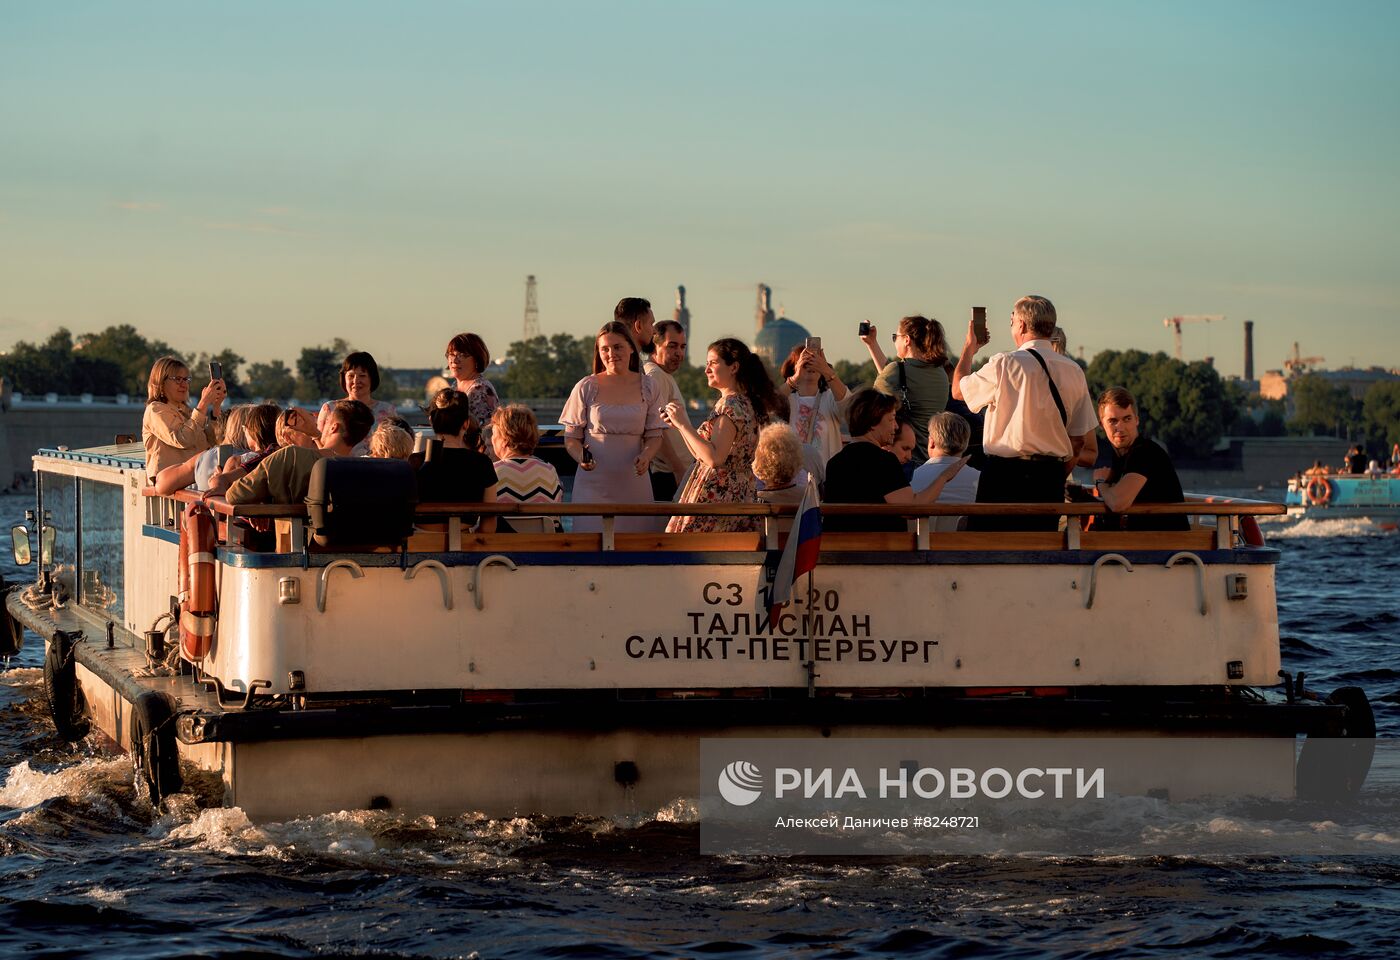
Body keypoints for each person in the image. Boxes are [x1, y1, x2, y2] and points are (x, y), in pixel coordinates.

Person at [951, 295, 1097, 531]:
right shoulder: (1074, 371)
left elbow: (958, 390)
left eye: (1011, 320)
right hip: (1048, 479)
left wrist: (969, 348)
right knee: (1039, 551)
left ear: (1021, 325)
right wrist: (1056, 475)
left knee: (991, 549)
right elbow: (1078, 440)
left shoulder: (1004, 364)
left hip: (1003, 476)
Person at [664, 338, 779, 533]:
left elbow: (714, 458)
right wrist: (680, 427)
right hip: (739, 491)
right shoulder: (746, 402)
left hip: (719, 493)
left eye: (713, 363)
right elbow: (700, 455)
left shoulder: (731, 405)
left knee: (694, 554)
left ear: (733, 367)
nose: (706, 369)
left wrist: (684, 423)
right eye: (707, 363)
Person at [561, 321, 664, 533]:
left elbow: (655, 435)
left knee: (637, 550)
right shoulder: (586, 386)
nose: (611, 354)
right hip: (593, 484)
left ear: (630, 349)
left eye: (617, 347)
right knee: (590, 548)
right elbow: (571, 438)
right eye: (604, 349)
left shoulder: (650, 386)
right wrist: (581, 456)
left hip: (635, 483)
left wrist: (646, 456)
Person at [822, 389, 967, 532]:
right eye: (891, 419)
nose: (896, 426)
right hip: (878, 550)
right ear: (873, 421)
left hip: (840, 549)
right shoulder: (881, 460)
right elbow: (910, 508)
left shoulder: (835, 462)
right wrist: (944, 477)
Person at [219, 400, 374, 504]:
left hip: (294, 544)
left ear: (333, 427)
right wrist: (315, 435)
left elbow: (236, 494)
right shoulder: (364, 469)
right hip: (342, 546)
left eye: (326, 422)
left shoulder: (291, 456)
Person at [1091, 387, 1188, 531]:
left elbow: (1118, 503)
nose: (1120, 427)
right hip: (1143, 543)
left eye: (1127, 419)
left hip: (1167, 546)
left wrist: (1100, 482)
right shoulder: (1121, 456)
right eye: (1113, 421)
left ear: (1136, 420)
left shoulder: (1146, 452)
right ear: (1101, 424)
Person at [861, 315, 950, 466]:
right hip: (929, 459)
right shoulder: (940, 373)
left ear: (907, 340)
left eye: (895, 337)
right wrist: (872, 344)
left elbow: (874, 404)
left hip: (902, 458)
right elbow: (900, 378)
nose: (895, 341)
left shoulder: (897, 371)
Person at [416, 388, 499, 532]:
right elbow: (489, 526)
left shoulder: (416, 462)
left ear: (432, 421)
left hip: (422, 546)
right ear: (466, 424)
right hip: (464, 543)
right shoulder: (482, 463)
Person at [778, 341, 850, 486]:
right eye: (804, 360)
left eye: (815, 359)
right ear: (794, 366)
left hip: (826, 482)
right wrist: (794, 379)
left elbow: (850, 407)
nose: (810, 364)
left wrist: (828, 372)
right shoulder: (787, 399)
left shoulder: (830, 397)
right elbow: (767, 407)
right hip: (792, 482)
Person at [141, 355, 224, 481]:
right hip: (172, 488)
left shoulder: (188, 412)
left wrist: (216, 406)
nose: (184, 384)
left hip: (195, 481)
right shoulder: (155, 410)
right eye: (177, 379)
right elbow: (183, 439)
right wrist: (203, 404)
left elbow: (213, 441)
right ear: (160, 383)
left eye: (186, 379)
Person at [490, 404, 564, 532]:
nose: (492, 439)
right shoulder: (549, 470)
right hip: (544, 545)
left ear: (505, 439)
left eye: (494, 434)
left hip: (502, 547)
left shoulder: (491, 472)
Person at [644, 319, 694, 501]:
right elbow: (657, 429)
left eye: (682, 347)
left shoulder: (661, 375)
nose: (679, 353)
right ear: (654, 346)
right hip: (669, 476)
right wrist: (678, 469)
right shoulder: (656, 375)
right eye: (672, 346)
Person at [316, 352, 399, 455]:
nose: (356, 381)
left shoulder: (388, 411)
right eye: (351, 376)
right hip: (336, 467)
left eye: (362, 376)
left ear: (372, 378)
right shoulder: (329, 408)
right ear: (344, 378)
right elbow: (318, 445)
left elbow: (395, 448)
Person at [912, 412, 981, 532]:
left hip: (922, 544)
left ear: (932, 442)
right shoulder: (980, 479)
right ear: (965, 444)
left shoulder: (911, 477)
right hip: (965, 546)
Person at [445, 332, 499, 441]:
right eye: (451, 354)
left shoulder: (480, 390)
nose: (454, 360)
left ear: (477, 359)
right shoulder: (454, 387)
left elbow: (482, 435)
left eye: (461, 355)